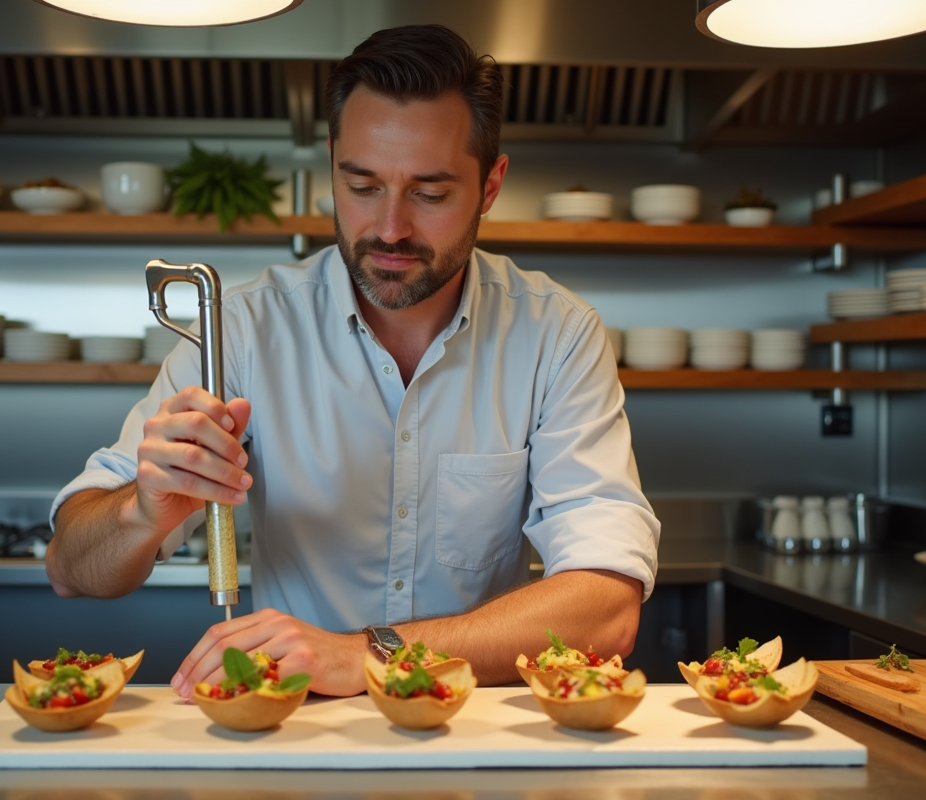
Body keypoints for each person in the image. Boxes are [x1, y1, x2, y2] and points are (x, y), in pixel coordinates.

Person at [47, 24, 660, 699]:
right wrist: (142, 509)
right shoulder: (242, 331)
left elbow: (608, 605)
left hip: (470, 734)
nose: (390, 227)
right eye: (362, 185)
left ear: (489, 186)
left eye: (429, 193)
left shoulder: (556, 334)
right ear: (333, 160)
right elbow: (74, 570)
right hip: (290, 729)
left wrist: (368, 654)